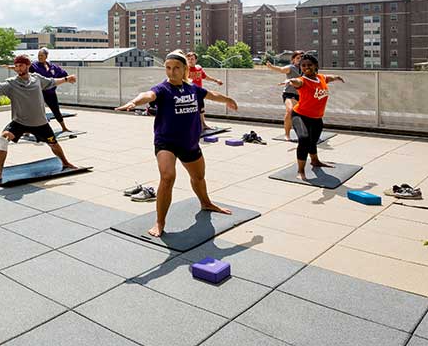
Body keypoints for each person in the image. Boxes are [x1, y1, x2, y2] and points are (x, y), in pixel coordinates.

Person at [116, 51, 237, 237]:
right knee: (167, 177)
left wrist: (227, 99)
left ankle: (206, 202)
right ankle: (160, 222)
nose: (171, 72)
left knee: (199, 177)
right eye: (168, 68)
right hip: (166, 142)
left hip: (189, 142)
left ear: (185, 70)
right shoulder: (162, 89)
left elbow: (211, 94)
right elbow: (147, 95)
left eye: (176, 68)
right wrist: (133, 102)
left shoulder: (192, 89)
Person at [0, 54, 79, 183]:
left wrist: (66, 79)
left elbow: (51, 82)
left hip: (40, 123)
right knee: (3, 139)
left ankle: (66, 163)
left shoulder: (37, 79)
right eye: (16, 66)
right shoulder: (11, 83)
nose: (18, 68)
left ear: (28, 66)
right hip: (19, 122)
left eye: (20, 65)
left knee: (53, 144)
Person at [282, 53, 344, 181]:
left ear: (315, 66)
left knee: (313, 141)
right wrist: (290, 80)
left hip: (316, 118)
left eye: (309, 65)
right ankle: (300, 170)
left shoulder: (320, 78)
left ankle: (315, 161)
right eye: (303, 66)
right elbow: (296, 82)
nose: (306, 68)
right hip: (300, 116)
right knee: (304, 140)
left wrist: (336, 77)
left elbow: (328, 78)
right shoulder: (302, 81)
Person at [6, 48, 73, 132]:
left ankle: (64, 127)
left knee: (56, 110)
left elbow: (63, 74)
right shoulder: (34, 66)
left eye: (41, 55)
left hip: (50, 92)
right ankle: (27, 131)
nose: (39, 57)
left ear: (46, 56)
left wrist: (69, 79)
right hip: (37, 92)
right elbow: (23, 69)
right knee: (32, 111)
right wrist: (13, 67)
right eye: (38, 55)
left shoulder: (53, 67)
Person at [265, 50, 305, 142]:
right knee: (290, 111)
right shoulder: (291, 68)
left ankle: (302, 133)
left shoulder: (305, 69)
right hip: (289, 94)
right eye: (297, 58)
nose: (299, 60)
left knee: (299, 115)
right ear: (293, 60)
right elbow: (281, 69)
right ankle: (287, 135)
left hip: (301, 95)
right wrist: (271, 67)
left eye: (301, 58)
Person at [185, 51, 223, 132]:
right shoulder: (185, 69)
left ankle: (203, 125)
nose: (190, 61)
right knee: (191, 110)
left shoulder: (199, 68)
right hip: (189, 93)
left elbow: (205, 77)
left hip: (199, 92)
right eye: (188, 59)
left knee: (201, 109)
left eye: (192, 59)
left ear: (196, 60)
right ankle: (192, 127)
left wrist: (216, 80)